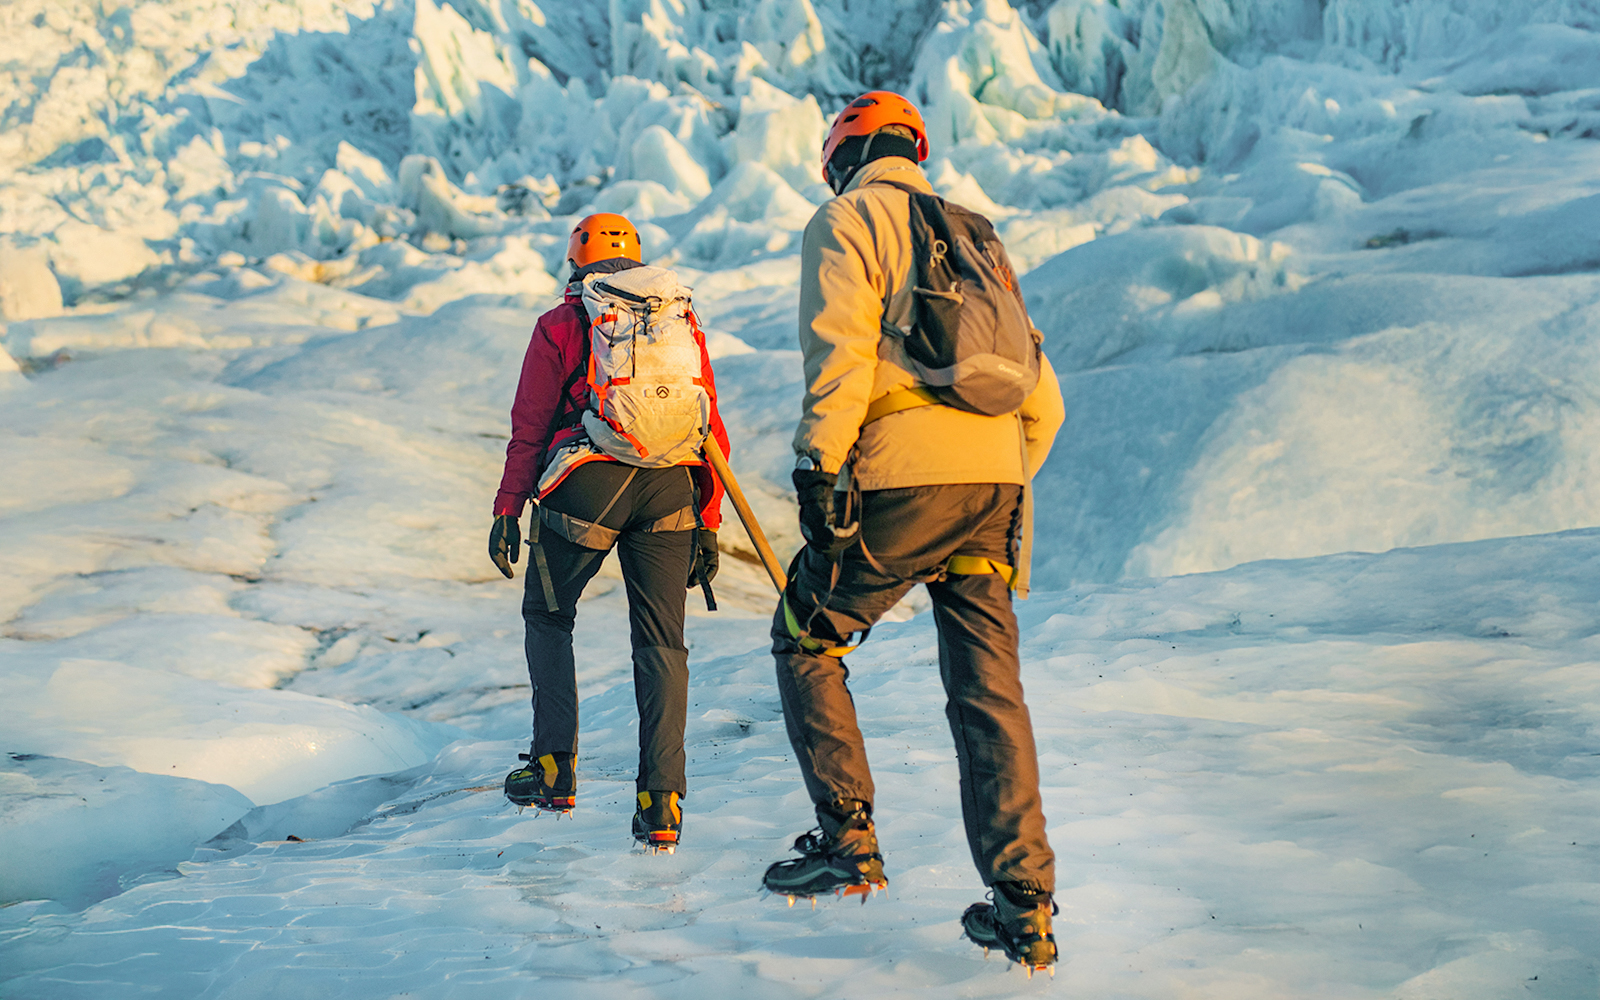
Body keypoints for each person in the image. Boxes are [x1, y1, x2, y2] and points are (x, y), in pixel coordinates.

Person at [759, 92, 1067, 971]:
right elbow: (1045, 396)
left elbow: (841, 353)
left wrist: (822, 465)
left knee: (806, 638)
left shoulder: (849, 220)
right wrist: (996, 474)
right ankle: (1025, 908)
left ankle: (848, 841)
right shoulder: (975, 232)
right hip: (997, 482)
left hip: (904, 474)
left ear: (840, 158)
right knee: (989, 695)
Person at [489, 212, 731, 852]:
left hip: (589, 483)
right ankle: (661, 803)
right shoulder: (679, 320)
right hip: (672, 485)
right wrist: (708, 522)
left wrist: (508, 508)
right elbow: (709, 425)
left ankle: (551, 770)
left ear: (575, 265)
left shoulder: (562, 325)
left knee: (548, 615)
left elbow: (531, 427)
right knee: (661, 643)